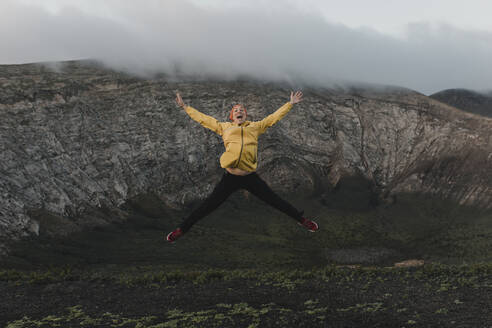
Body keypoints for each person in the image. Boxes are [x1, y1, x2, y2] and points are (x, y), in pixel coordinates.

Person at [166, 91, 319, 243]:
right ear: (231, 117)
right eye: (236, 110)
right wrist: (185, 107)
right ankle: (181, 230)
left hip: (250, 177)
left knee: (275, 201)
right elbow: (203, 119)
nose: (239, 111)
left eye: (242, 110)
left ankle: (302, 220)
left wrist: (290, 104)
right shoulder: (223, 127)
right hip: (230, 177)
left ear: (246, 115)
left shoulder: (255, 127)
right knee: (207, 206)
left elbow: (273, 118)